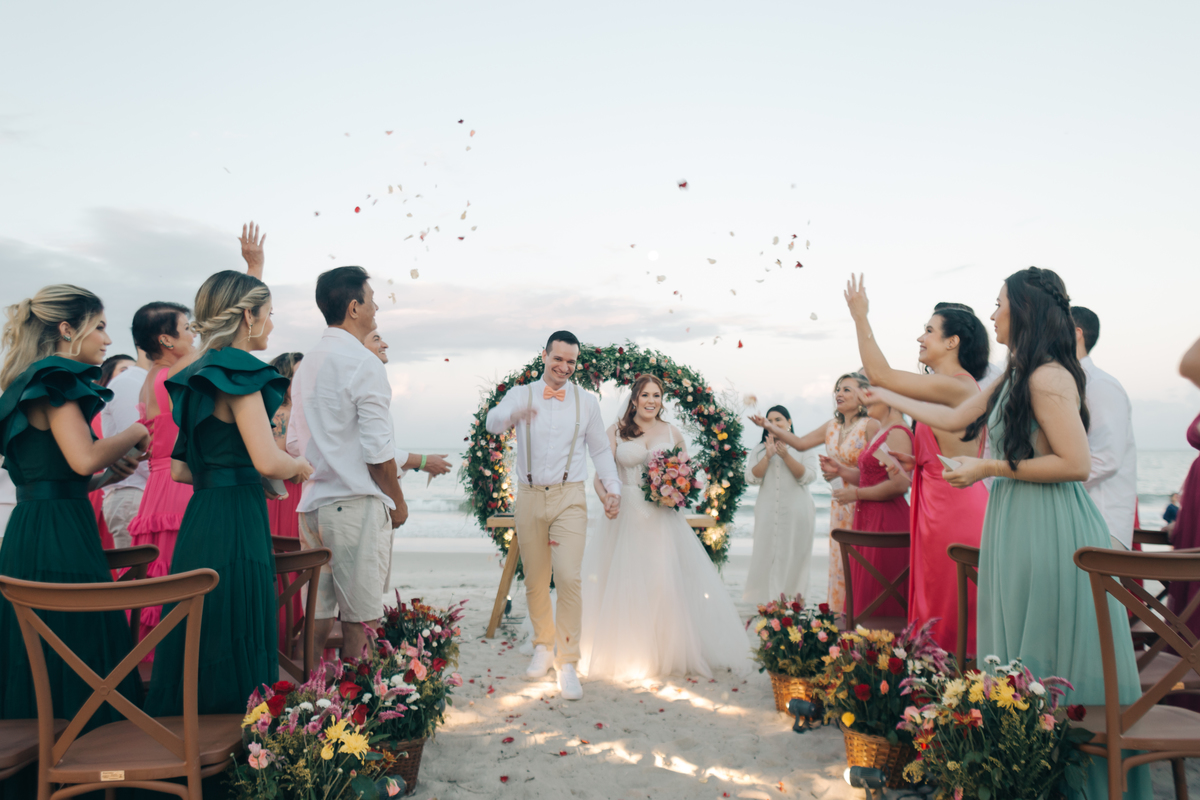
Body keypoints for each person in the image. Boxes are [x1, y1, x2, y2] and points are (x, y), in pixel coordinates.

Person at [864, 267, 1150, 800]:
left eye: (999, 303)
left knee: (1042, 653)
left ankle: (1059, 783)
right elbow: (962, 418)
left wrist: (988, 469)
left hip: (1048, 526)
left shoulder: (1048, 377)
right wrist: (887, 395)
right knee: (1014, 654)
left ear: (1023, 310)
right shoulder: (1016, 373)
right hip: (1013, 520)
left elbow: (1075, 464)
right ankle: (1020, 777)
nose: (992, 313)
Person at [144, 269, 314, 717]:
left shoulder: (193, 376)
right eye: (269, 313)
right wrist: (297, 466)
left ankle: (191, 729)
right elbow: (268, 459)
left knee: (205, 625)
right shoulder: (238, 372)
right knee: (239, 622)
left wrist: (234, 470)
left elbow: (181, 470)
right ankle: (241, 733)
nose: (272, 323)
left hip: (201, 516)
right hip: (237, 517)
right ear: (248, 317)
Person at [0, 286, 148, 749]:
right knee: (78, 644)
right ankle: (90, 760)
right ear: (67, 329)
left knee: (38, 652)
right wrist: (138, 430)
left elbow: (55, 477)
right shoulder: (57, 381)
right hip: (61, 537)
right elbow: (83, 458)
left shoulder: (26, 381)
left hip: (32, 528)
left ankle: (40, 765)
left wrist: (105, 479)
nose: (108, 339)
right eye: (99, 326)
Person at [287, 267, 450, 662]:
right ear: (354, 307)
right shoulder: (363, 363)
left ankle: (309, 689)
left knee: (317, 613)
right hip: (354, 507)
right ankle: (357, 694)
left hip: (312, 506)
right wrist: (399, 503)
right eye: (372, 300)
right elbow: (377, 453)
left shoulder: (306, 365)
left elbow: (293, 443)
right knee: (361, 619)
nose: (377, 308)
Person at [843, 276, 991, 652]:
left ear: (952, 341)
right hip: (935, 502)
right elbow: (948, 445)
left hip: (952, 508)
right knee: (934, 602)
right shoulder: (947, 386)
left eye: (929, 331)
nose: (920, 338)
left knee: (949, 607)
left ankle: (949, 679)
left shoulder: (957, 385)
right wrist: (918, 459)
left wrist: (860, 317)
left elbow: (881, 376)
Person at [580, 374, 748, 680]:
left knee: (660, 581)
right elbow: (600, 476)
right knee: (623, 581)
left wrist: (676, 490)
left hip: (661, 518)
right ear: (634, 399)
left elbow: (687, 474)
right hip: (624, 514)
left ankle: (662, 652)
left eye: (656, 395)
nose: (651, 401)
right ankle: (628, 652)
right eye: (645, 395)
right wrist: (607, 499)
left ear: (662, 400)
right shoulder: (615, 430)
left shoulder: (672, 431)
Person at [486, 331, 621, 700]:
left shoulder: (587, 402)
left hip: (569, 496)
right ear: (544, 356)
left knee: (568, 577)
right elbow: (492, 422)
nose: (564, 367)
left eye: (571, 361)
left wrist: (613, 490)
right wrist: (512, 415)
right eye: (558, 358)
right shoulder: (522, 394)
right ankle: (544, 645)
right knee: (535, 578)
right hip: (529, 496)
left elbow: (600, 451)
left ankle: (568, 660)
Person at [750, 373, 878, 615]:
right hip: (839, 503)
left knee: (863, 561)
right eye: (838, 389)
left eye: (847, 389)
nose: (839, 393)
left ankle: (863, 617)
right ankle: (842, 617)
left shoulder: (870, 426)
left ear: (863, 396)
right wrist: (767, 426)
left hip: (863, 500)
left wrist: (841, 471)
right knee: (840, 562)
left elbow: (878, 473)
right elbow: (800, 443)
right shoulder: (832, 426)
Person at [124, 301, 197, 657]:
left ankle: (153, 661)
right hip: (178, 485)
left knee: (159, 579)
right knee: (181, 579)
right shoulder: (173, 375)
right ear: (167, 339)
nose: (194, 336)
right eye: (188, 328)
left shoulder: (150, 378)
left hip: (156, 489)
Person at [826, 398, 913, 620]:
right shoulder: (881, 430)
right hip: (867, 517)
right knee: (865, 585)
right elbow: (869, 477)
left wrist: (856, 495)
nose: (866, 401)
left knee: (881, 587)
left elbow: (900, 484)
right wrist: (841, 470)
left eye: (873, 396)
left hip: (886, 518)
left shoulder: (898, 433)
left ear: (890, 400)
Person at [1071, 306, 1137, 550]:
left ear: (1076, 334)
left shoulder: (1099, 385)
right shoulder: (1072, 383)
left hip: (1101, 522)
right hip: (1078, 518)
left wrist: (1049, 486)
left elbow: (1106, 459)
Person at [742, 405, 819, 603]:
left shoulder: (803, 448)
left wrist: (786, 455)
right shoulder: (760, 450)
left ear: (789, 422)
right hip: (767, 512)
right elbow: (751, 478)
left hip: (798, 513)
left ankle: (793, 603)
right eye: (770, 421)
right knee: (765, 555)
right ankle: (766, 603)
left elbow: (807, 477)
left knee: (796, 556)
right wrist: (768, 457)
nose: (774, 424)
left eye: (779, 420)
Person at [99, 347, 153, 548]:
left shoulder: (143, 380)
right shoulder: (128, 383)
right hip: (135, 494)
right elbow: (136, 448)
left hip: (143, 492)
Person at [87, 353, 138, 548]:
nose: (130, 375)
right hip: (101, 490)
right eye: (124, 370)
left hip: (114, 482)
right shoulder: (92, 416)